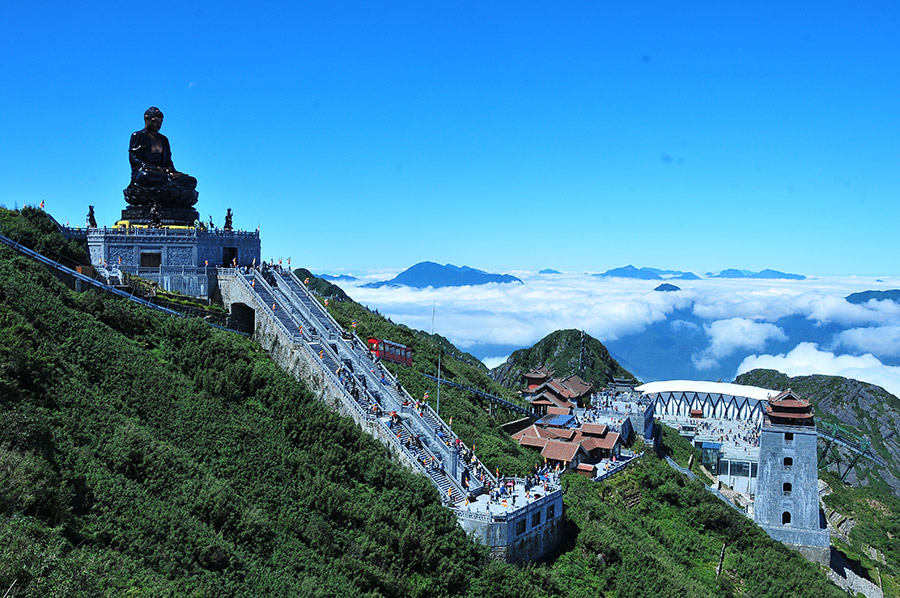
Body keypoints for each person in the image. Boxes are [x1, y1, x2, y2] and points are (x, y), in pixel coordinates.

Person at [126, 107, 197, 207]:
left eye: (160, 122)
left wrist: (173, 171)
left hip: (164, 174)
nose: (158, 125)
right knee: (145, 176)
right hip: (148, 173)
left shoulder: (164, 139)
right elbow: (134, 159)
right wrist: (156, 169)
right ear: (146, 119)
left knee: (191, 181)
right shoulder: (138, 136)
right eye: (155, 121)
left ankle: (169, 184)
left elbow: (168, 161)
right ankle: (169, 185)